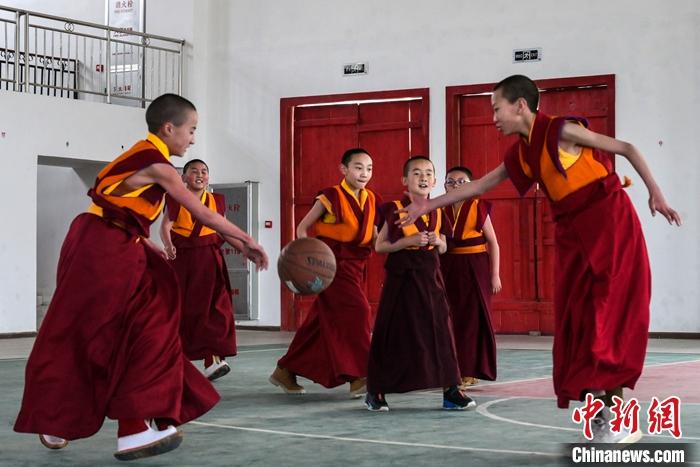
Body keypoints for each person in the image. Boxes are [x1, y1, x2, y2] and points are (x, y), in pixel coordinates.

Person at [398, 75, 681, 442]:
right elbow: (481, 185)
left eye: (497, 109)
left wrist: (656, 194)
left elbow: (626, 147)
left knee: (607, 318)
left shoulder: (562, 131)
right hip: (573, 236)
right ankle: (604, 412)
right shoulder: (521, 153)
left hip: (610, 225)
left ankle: (617, 415)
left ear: (520, 105)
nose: (494, 117)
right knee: (578, 323)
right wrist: (429, 203)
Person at [14, 94, 268, 461]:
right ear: (170, 128)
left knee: (154, 325)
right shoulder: (158, 165)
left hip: (116, 242)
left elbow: (122, 215)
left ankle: (136, 421)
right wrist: (247, 241)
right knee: (93, 331)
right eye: (191, 130)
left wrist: (145, 245)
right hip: (99, 246)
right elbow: (199, 212)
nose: (193, 139)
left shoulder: (146, 159)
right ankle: (71, 417)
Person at [364, 156, 476, 412]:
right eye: (417, 173)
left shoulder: (437, 209)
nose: (423, 177)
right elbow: (380, 245)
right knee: (392, 333)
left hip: (430, 276)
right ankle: (375, 390)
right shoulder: (393, 209)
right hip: (401, 277)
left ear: (434, 180)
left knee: (442, 332)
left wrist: (438, 241)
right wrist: (405, 241)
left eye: (428, 173)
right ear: (405, 180)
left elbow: (447, 245)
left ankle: (451, 391)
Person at [270, 148, 381, 398]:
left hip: (357, 264)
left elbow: (372, 236)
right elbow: (303, 227)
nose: (364, 173)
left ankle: (285, 370)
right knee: (358, 311)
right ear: (343, 169)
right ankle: (358, 375)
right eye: (358, 167)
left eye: (369, 168)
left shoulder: (373, 199)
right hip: (330, 266)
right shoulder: (330, 196)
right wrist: (306, 259)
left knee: (320, 322)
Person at [160, 159, 237, 381]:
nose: (200, 175)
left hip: (211, 260)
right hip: (184, 261)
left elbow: (225, 230)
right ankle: (173, 359)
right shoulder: (175, 199)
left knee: (217, 309)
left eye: (204, 171)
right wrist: (168, 244)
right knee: (185, 311)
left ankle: (212, 359)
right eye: (194, 171)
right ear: (184, 178)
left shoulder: (216, 201)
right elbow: (165, 226)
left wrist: (246, 247)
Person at [440, 166, 501, 389]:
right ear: (444, 185)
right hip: (448, 267)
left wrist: (495, 275)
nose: (456, 186)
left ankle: (470, 371)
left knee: (473, 320)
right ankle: (451, 369)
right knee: (450, 319)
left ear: (472, 186)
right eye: (451, 182)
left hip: (476, 267)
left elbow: (493, 243)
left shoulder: (478, 207)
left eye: (462, 182)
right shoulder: (439, 208)